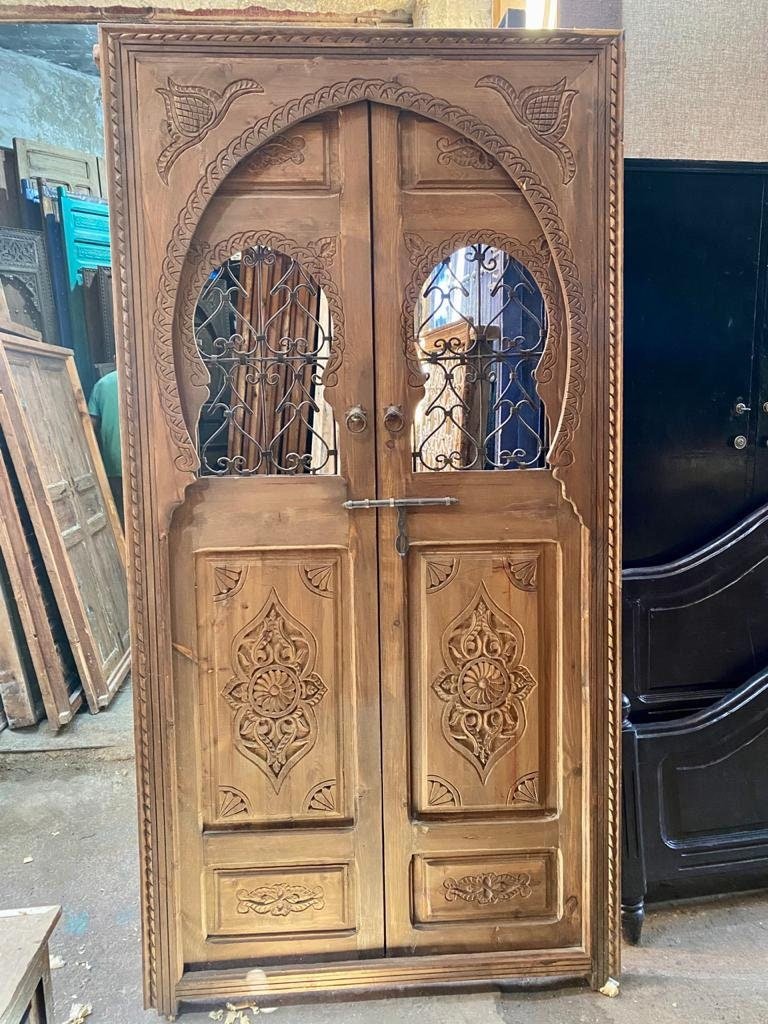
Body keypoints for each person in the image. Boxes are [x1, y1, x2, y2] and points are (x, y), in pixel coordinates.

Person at [88, 369, 123, 523]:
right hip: (150, 463)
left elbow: (89, 426)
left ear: (115, 358)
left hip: (114, 462)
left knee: (123, 515)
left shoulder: (102, 384)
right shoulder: (148, 380)